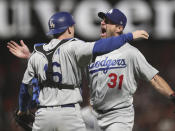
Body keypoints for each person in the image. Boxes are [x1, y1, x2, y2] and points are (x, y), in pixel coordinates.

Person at [8, 11, 149, 131]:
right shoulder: (74, 46)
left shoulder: (37, 54)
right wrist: (129, 36)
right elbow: (102, 46)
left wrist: (22, 109)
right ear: (69, 29)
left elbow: (25, 89)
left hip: (43, 115)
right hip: (69, 115)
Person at [86, 9, 175, 131]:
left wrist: (172, 95)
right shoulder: (93, 52)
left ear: (119, 28)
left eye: (107, 21)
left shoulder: (130, 52)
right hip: (95, 116)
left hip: (119, 115)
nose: (102, 23)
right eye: (102, 20)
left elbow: (154, 78)